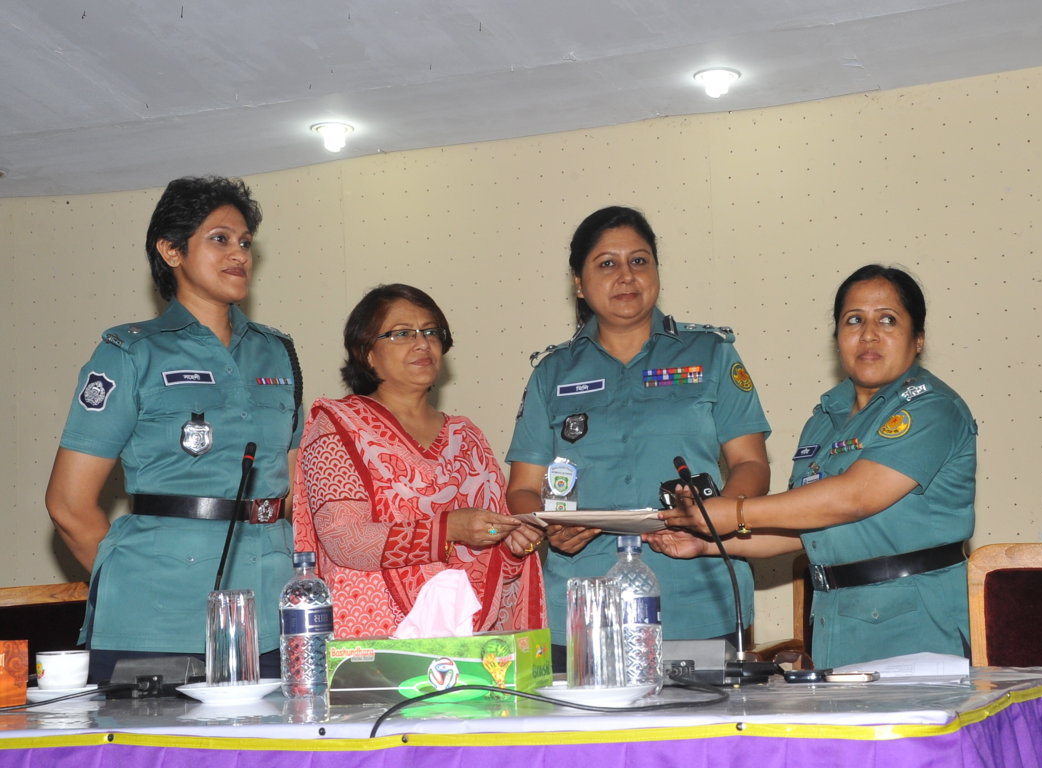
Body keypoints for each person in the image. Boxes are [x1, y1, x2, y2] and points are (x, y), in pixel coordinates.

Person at [650, 264, 977, 669]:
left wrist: (734, 511)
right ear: (837, 338)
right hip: (834, 624)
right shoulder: (825, 419)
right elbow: (804, 531)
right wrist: (708, 542)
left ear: (918, 339)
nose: (868, 334)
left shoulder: (933, 409)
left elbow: (854, 497)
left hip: (916, 628)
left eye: (887, 320)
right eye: (853, 320)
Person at [45, 176, 301, 683]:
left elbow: (291, 491)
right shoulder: (131, 352)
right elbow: (69, 506)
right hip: (157, 622)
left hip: (272, 620)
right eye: (220, 239)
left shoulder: (278, 353)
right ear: (171, 250)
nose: (239, 254)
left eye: (245, 242)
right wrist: (137, 582)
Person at [505, 206, 771, 664]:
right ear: (579, 283)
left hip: (699, 593)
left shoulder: (710, 353)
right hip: (583, 600)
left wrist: (715, 519)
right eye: (607, 263)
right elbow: (522, 489)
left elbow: (751, 464)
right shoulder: (552, 372)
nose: (626, 276)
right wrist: (551, 528)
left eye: (639, 260)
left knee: (705, 714)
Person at [293, 284, 546, 638]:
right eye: (401, 334)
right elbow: (345, 539)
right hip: (374, 634)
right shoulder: (338, 426)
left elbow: (487, 541)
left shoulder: (466, 437)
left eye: (431, 332)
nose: (422, 343)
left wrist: (511, 543)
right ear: (366, 353)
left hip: (458, 638)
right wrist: (448, 529)